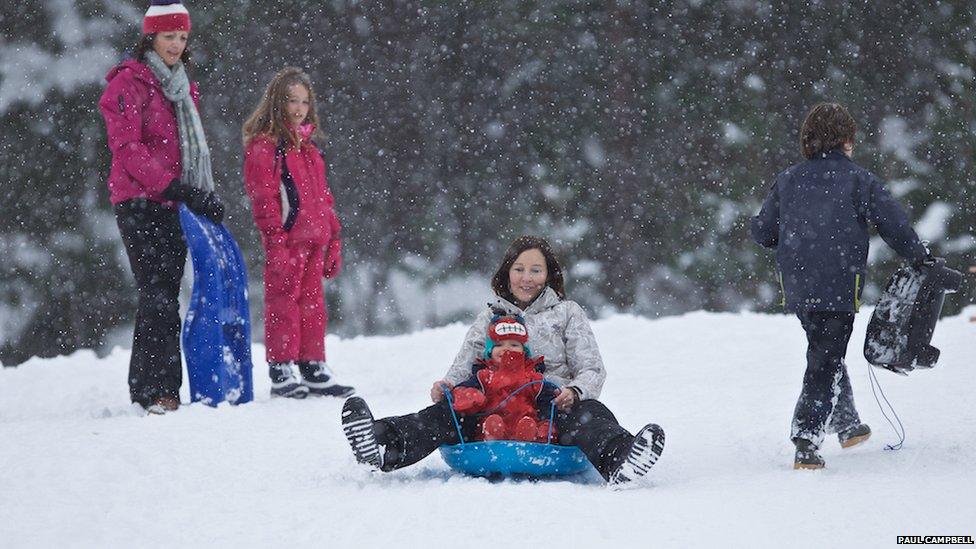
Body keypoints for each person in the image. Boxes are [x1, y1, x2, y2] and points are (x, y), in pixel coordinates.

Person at [342, 236, 665, 486]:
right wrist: (448, 387)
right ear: (507, 273)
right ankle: (380, 440)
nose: (527, 278)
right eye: (520, 269)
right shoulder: (490, 317)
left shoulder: (567, 312)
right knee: (442, 417)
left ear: (549, 275)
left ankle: (621, 460)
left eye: (536, 270)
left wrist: (575, 392)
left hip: (552, 405)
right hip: (492, 403)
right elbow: (466, 360)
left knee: (591, 416)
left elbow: (591, 367)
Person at [751, 102, 930, 470]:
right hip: (838, 284)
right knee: (826, 356)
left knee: (824, 349)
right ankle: (806, 438)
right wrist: (919, 256)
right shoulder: (859, 180)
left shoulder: (788, 179)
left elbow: (763, 231)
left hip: (797, 284)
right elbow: (892, 224)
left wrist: (790, 235)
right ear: (849, 139)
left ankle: (847, 425)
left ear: (807, 140)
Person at [98, 0, 225, 414]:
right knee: (156, 292)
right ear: (150, 36)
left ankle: (154, 387)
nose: (176, 44)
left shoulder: (181, 85)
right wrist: (172, 186)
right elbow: (127, 149)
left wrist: (198, 192)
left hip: (174, 201)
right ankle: (156, 391)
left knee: (167, 291)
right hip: (139, 201)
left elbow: (190, 147)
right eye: (169, 36)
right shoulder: (126, 85)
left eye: (183, 37)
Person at [242, 67, 353, 399]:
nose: (299, 108)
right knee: (283, 304)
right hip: (288, 242)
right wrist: (275, 243)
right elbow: (264, 199)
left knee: (313, 306)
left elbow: (324, 199)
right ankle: (281, 366)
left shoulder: (310, 149)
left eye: (304, 101)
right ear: (277, 102)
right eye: (292, 100)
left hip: (315, 240)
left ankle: (312, 364)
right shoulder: (266, 147)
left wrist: (334, 240)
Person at [450, 314, 558, 442]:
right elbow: (459, 392)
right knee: (493, 422)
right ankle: (492, 435)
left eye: (513, 345)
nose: (506, 349)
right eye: (499, 344)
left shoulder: (534, 378)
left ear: (524, 351)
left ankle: (528, 435)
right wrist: (469, 395)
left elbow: (549, 401)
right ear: (490, 350)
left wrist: (546, 423)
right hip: (492, 427)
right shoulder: (483, 376)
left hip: (526, 424)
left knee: (528, 424)